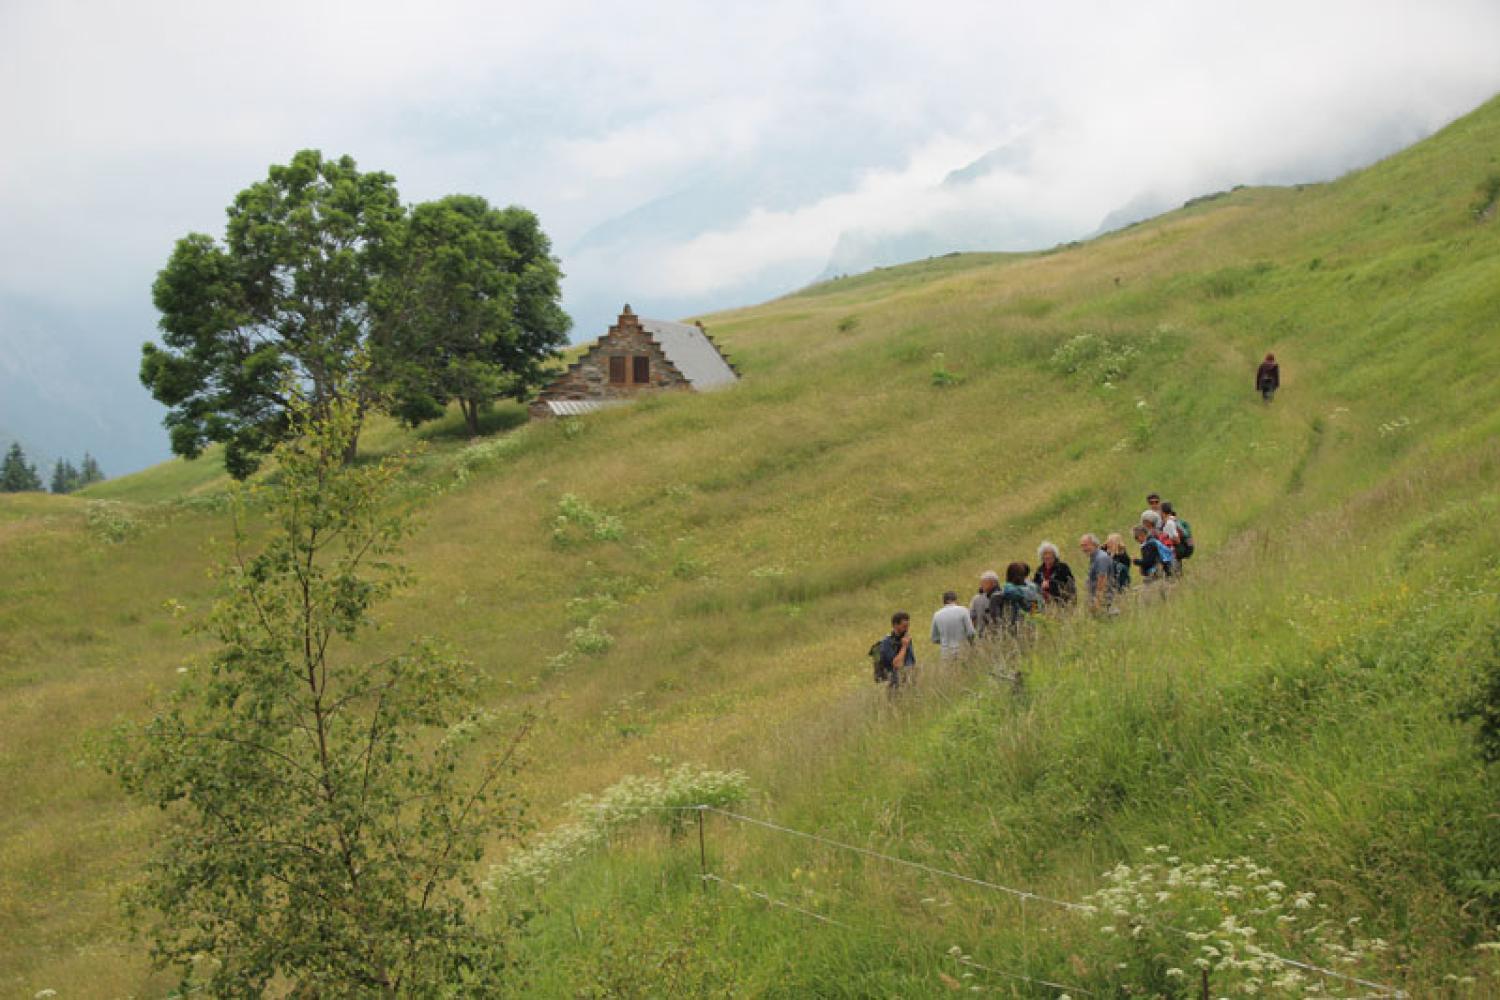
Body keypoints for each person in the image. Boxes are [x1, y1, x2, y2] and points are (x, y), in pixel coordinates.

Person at [995, 561, 1042, 633]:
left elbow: (1009, 592)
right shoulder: (1032, 588)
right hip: (1030, 626)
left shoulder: (1009, 589)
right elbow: (1035, 609)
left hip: (1013, 625)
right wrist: (1033, 621)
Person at [931, 590, 977, 660]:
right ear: (956, 600)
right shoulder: (963, 610)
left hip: (946, 653)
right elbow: (971, 632)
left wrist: (944, 641)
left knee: (949, 670)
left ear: (943, 601)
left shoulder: (937, 614)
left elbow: (934, 638)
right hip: (963, 650)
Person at [875, 611, 916, 688]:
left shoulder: (906, 639)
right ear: (895, 625)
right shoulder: (886, 642)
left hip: (908, 680)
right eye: (904, 626)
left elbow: (911, 661)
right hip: (894, 685)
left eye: (908, 626)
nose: (907, 629)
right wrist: (904, 647)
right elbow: (897, 664)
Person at [1032, 541, 1077, 607]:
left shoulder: (1062, 567)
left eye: (1050, 553)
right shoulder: (1040, 570)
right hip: (1042, 602)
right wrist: (1041, 584)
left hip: (1060, 603)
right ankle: (1033, 614)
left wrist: (1050, 584)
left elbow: (1070, 585)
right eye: (1044, 554)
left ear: (1055, 555)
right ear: (1041, 556)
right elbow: (1035, 585)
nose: (1047, 556)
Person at [1079, 533, 1115, 612]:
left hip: (1103, 601)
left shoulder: (1101, 558)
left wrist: (1097, 601)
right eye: (1081, 546)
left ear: (1094, 544)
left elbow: (1102, 579)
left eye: (1085, 545)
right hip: (1096, 599)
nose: (1083, 549)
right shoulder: (1094, 557)